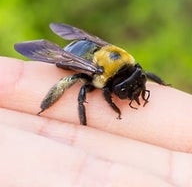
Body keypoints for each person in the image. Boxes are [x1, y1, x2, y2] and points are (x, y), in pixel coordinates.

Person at [0, 56, 192, 186]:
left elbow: (139, 74)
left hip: (96, 53)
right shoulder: (98, 75)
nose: (134, 91)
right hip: (79, 56)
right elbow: (106, 93)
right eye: (126, 90)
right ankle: (45, 106)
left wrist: (160, 84)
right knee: (74, 84)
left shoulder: (127, 63)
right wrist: (114, 108)